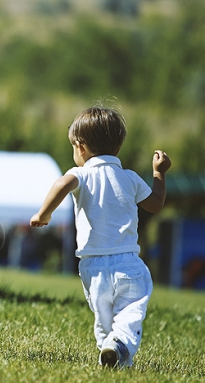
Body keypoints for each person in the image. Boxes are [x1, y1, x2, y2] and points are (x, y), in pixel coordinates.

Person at [30, 106, 170, 368]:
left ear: (80, 147)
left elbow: (61, 184)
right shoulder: (129, 178)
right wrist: (159, 173)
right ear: (117, 148)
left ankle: (109, 349)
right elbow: (156, 205)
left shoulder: (80, 174)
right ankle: (118, 348)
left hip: (92, 266)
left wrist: (44, 213)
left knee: (103, 315)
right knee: (130, 311)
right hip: (127, 263)